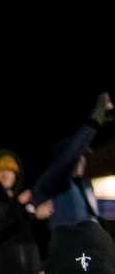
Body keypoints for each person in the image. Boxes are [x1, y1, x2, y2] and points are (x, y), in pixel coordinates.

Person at [29, 94, 112, 229]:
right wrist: (99, 111)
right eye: (78, 157)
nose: (81, 160)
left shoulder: (85, 184)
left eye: (83, 157)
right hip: (72, 244)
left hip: (95, 242)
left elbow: (100, 211)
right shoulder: (56, 180)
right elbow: (32, 208)